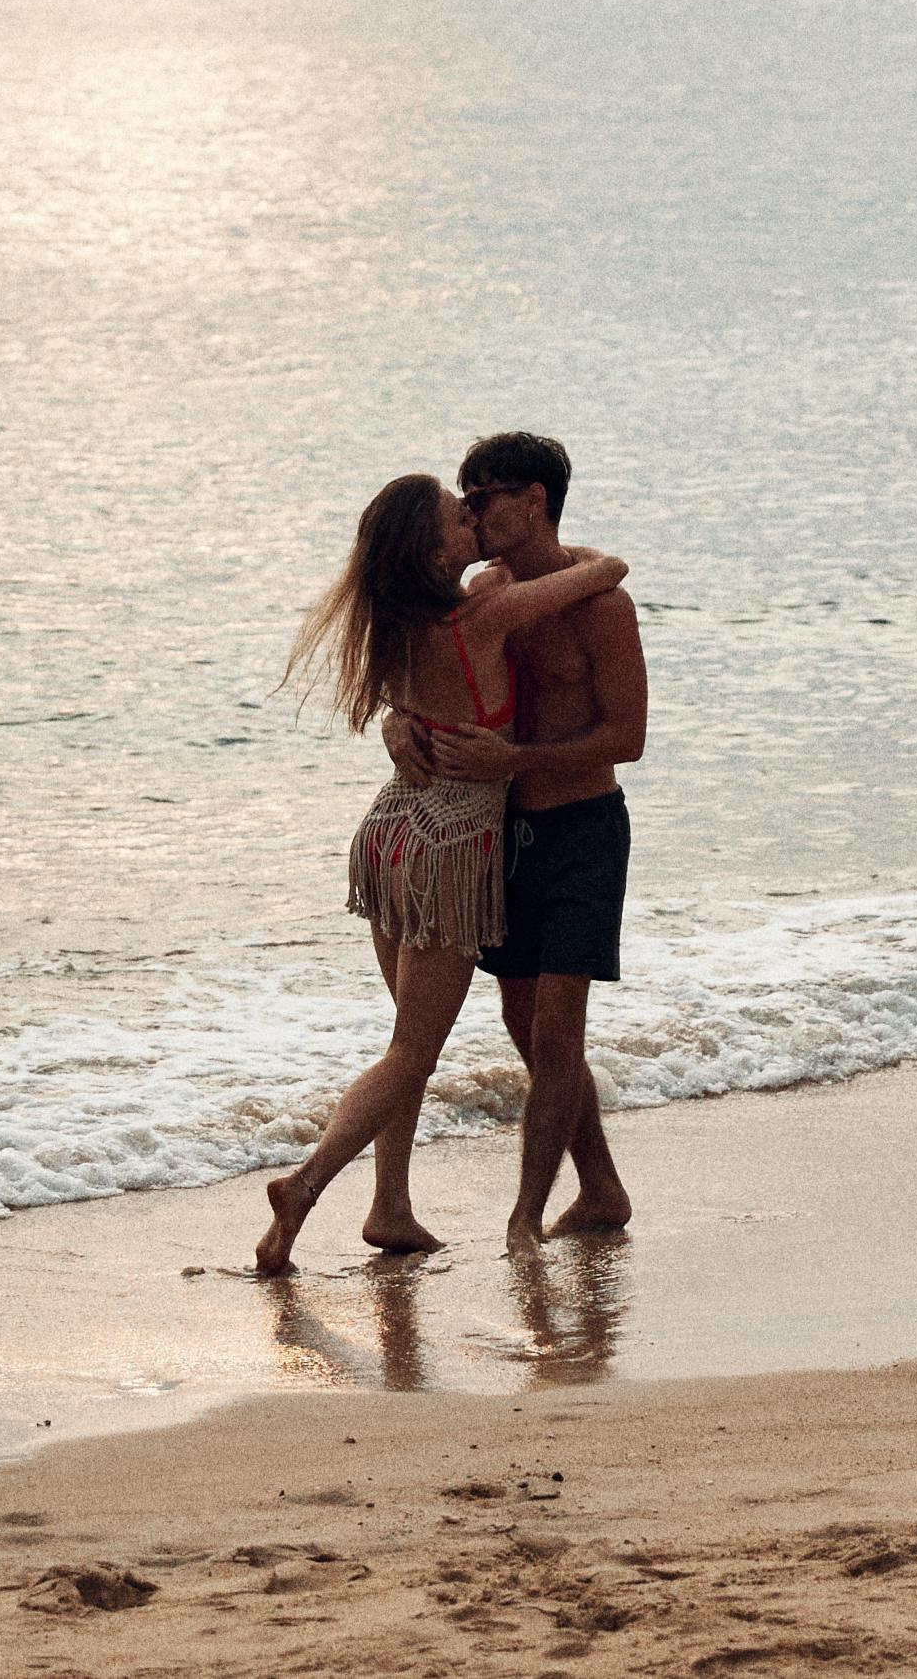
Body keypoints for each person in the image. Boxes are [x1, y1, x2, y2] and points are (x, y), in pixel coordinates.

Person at [254, 468, 628, 1277]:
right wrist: (570, 548)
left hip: (390, 833)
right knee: (410, 1054)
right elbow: (606, 571)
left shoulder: (387, 625)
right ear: (431, 554)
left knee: (404, 1043)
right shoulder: (485, 615)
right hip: (451, 849)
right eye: (458, 517)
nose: (470, 518)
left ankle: (390, 1206)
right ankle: (306, 1185)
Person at [383, 430, 648, 1247]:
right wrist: (399, 722)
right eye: (463, 495)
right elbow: (429, 674)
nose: (468, 509)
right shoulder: (483, 594)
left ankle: (524, 1218)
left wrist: (519, 758)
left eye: (482, 494)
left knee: (556, 1027)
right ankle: (601, 1190)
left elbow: (627, 735)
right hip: (501, 835)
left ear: (532, 501)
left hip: (580, 829)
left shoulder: (601, 605)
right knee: (523, 1021)